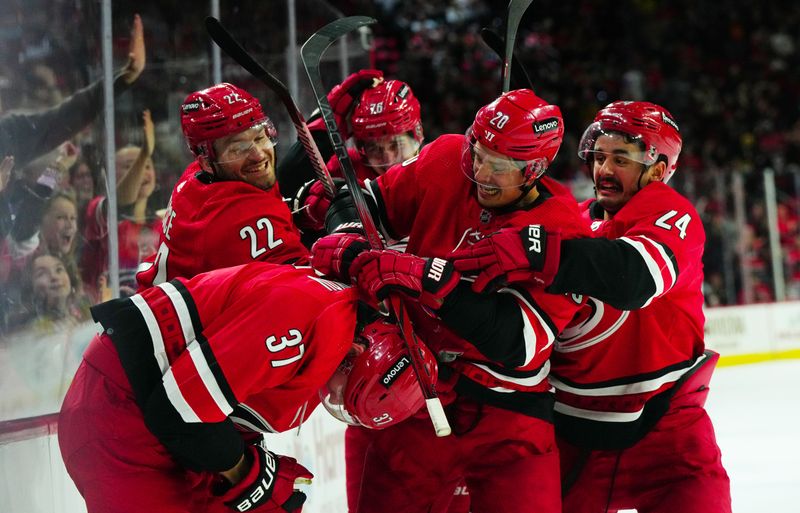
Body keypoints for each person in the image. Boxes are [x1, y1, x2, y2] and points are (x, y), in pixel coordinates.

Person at [311, 89, 589, 513]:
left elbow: (517, 342)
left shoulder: (561, 228)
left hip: (506, 414)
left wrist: (434, 282)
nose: (480, 172)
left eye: (499, 166)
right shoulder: (446, 158)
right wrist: (348, 234)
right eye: (478, 154)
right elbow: (363, 201)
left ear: (534, 169)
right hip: (413, 392)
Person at [450, 101, 731, 513]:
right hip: (574, 436)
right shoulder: (569, 221)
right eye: (599, 156)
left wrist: (540, 250)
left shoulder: (672, 213)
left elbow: (633, 278)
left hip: (668, 434)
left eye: (620, 159)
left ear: (657, 169)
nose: (603, 169)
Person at [58, 262, 437, 513]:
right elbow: (177, 411)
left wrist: (249, 471)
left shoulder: (334, 330)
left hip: (156, 420)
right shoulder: (304, 318)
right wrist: (250, 475)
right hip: (119, 413)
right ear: (356, 351)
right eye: (345, 390)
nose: (333, 398)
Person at [136, 83, 308, 289]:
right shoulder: (235, 220)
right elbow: (309, 288)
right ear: (207, 161)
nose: (259, 155)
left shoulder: (194, 178)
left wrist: (299, 207)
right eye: (239, 148)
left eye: (260, 137)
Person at [279, 71, 424, 240]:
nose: (388, 158)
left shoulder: (439, 164)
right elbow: (287, 181)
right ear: (361, 147)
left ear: (417, 134)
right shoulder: (345, 170)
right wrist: (327, 127)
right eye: (374, 148)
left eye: (396, 144)